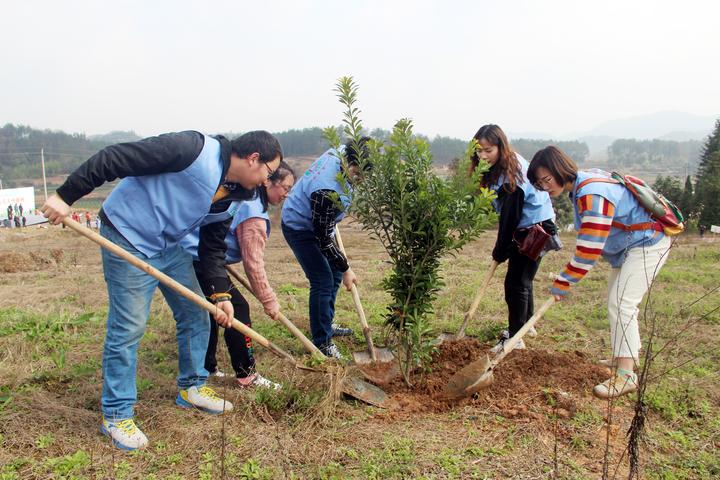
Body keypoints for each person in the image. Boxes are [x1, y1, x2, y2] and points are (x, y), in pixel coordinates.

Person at [41, 130, 282, 450]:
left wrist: (220, 295)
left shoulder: (237, 195)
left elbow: (211, 251)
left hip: (169, 246)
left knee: (197, 311)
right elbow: (115, 158)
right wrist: (64, 196)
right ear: (254, 159)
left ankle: (192, 387)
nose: (268, 181)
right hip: (127, 234)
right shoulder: (193, 150)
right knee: (128, 327)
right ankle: (116, 414)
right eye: (268, 172)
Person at [527, 146, 672, 399]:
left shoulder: (591, 194)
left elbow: (589, 250)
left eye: (547, 179)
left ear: (561, 169)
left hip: (648, 243)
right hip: (632, 245)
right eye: (540, 183)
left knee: (622, 303)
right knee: (617, 301)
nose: (546, 187)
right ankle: (623, 356)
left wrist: (564, 282)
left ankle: (626, 376)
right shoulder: (583, 183)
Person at [183, 162, 296, 389]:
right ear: (267, 181)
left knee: (211, 311)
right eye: (285, 187)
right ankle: (247, 375)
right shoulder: (253, 215)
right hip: (196, 257)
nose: (286, 194)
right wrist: (269, 300)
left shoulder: (251, 199)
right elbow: (253, 266)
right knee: (238, 309)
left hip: (196, 254)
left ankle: (208, 368)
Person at [469, 125, 557, 354]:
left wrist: (501, 249)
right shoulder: (500, 165)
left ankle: (516, 337)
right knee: (523, 279)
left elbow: (510, 217)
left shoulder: (511, 172)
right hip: (530, 224)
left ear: (501, 146)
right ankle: (527, 325)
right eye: (479, 151)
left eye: (488, 150)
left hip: (535, 228)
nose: (483, 156)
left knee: (516, 283)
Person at [281, 138, 370, 359]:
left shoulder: (342, 151)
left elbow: (326, 229)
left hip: (322, 222)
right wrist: (348, 268)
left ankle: (326, 322)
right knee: (323, 280)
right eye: (357, 174)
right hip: (300, 226)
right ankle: (323, 342)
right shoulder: (326, 190)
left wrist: (342, 266)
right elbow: (323, 238)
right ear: (348, 164)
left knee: (336, 270)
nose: (360, 179)